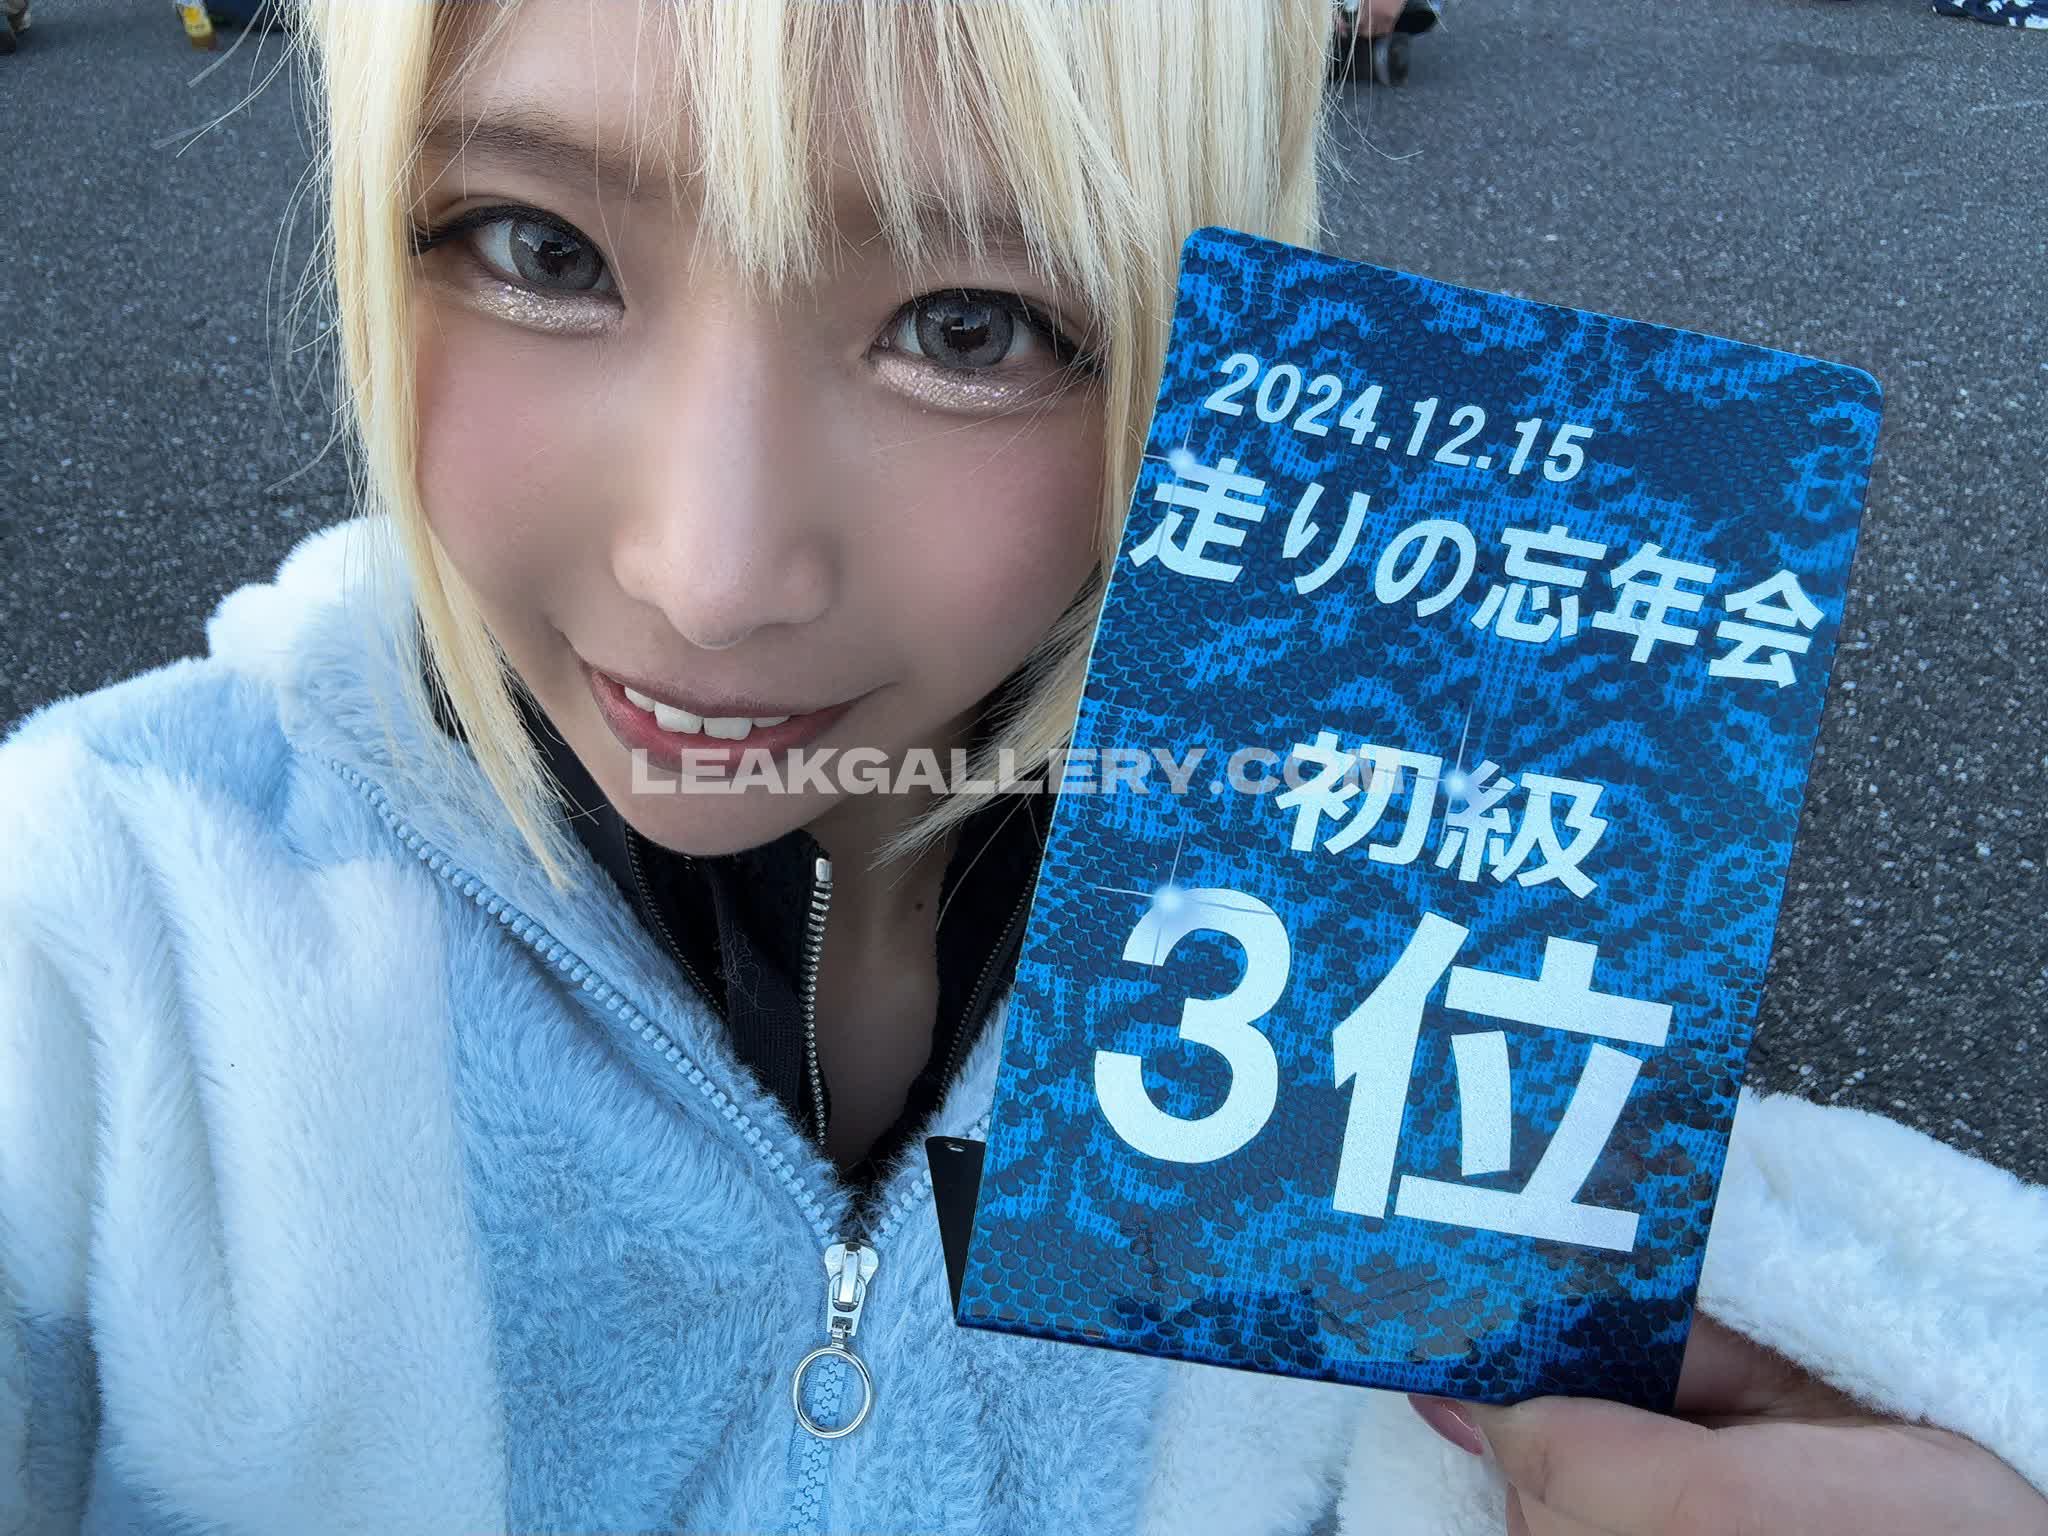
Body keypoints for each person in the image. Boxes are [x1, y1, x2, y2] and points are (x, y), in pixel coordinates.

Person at [1, 2, 2044, 1532]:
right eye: (538, 247)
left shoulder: (1404, 866)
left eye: (970, 326)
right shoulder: (99, 934)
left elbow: (1850, 1303)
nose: (710, 576)